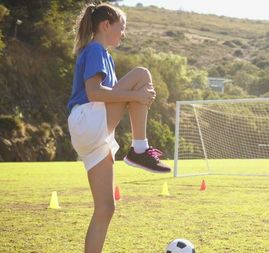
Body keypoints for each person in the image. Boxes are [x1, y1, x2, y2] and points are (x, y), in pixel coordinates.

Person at [67, 3, 171, 252]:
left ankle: (138, 149)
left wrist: (134, 97)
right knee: (141, 75)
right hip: (86, 120)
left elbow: (112, 95)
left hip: (93, 135)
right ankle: (138, 149)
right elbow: (94, 93)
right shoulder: (95, 49)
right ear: (106, 25)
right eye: (121, 28)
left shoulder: (104, 56)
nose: (124, 34)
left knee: (105, 208)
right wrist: (136, 97)